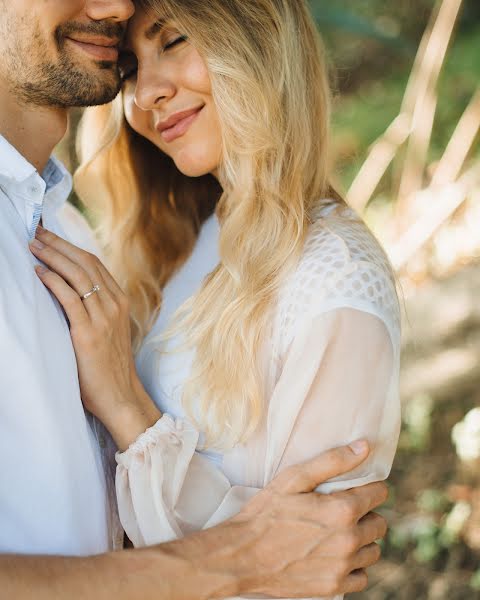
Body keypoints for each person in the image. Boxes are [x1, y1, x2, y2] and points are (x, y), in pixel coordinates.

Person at [0, 0, 389, 598]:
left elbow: (301, 563)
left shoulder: (333, 280)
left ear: (260, 40)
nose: (146, 93)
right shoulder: (181, 244)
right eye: (130, 68)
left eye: (175, 41)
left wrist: (127, 404)